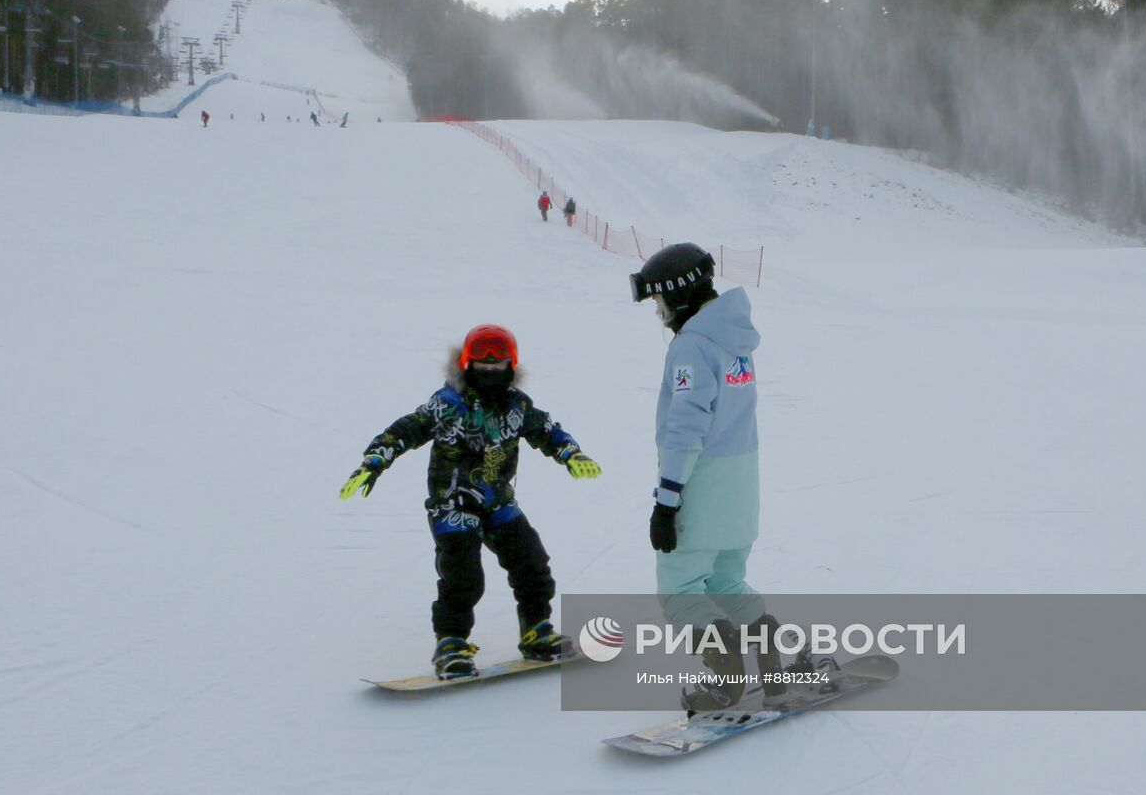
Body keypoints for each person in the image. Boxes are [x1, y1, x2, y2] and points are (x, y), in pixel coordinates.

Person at [339, 324, 603, 680]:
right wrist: (374, 461)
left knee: (531, 562)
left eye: (498, 368)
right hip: (453, 504)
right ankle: (450, 642)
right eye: (482, 368)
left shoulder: (517, 406)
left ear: (511, 368)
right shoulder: (447, 404)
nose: (490, 375)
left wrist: (571, 453)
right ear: (466, 366)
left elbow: (547, 430)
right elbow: (406, 429)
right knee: (463, 574)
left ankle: (536, 629)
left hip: (497, 502)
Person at [628, 243, 800, 711]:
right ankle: (775, 669)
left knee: (681, 590)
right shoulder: (733, 340)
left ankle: (725, 680)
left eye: (658, 303)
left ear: (676, 297)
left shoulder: (692, 346)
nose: (659, 313)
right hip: (741, 486)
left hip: (701, 487)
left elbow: (686, 426)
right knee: (726, 582)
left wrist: (667, 500)